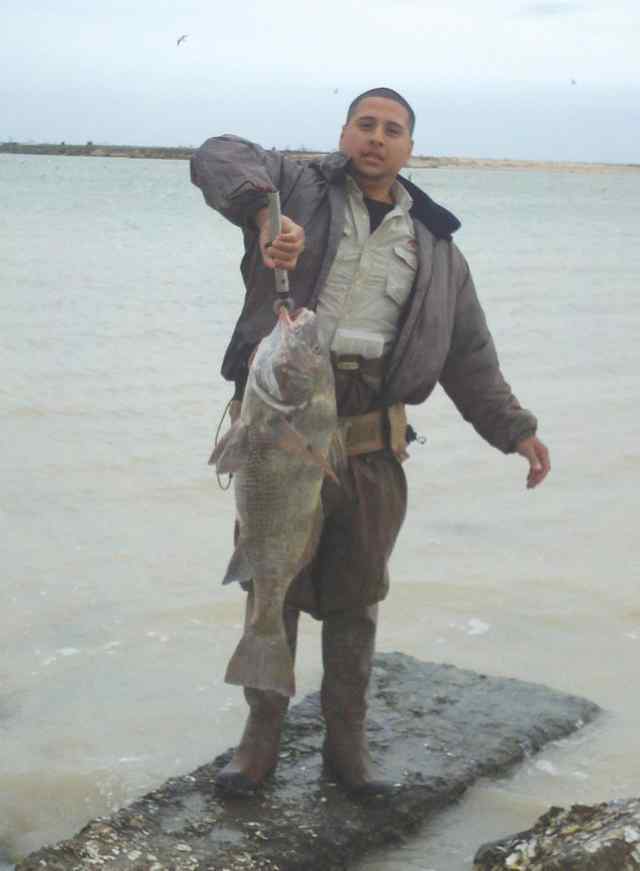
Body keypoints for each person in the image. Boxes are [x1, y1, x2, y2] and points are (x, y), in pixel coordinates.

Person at [190, 87, 550, 798]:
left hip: (371, 448)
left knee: (357, 602)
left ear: (410, 148)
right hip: (278, 432)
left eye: (393, 129)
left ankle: (346, 754)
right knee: (273, 581)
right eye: (365, 124)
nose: (377, 138)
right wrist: (265, 215)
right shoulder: (293, 185)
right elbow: (213, 156)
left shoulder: (439, 247)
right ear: (344, 132)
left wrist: (517, 430)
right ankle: (258, 741)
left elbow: (468, 355)